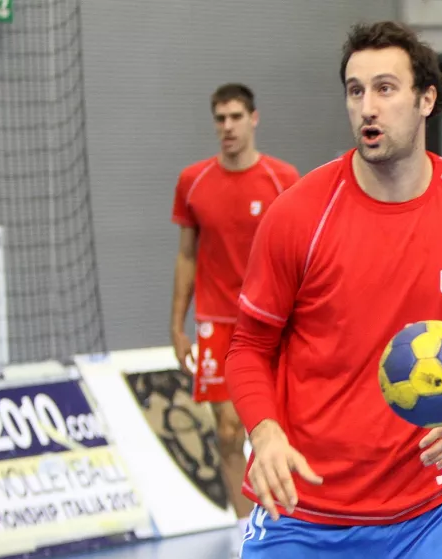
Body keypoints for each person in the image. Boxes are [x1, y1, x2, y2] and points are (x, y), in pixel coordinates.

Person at [225, 21, 442, 559]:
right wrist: (266, 432)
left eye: (385, 88)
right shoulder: (298, 215)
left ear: (426, 99)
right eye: (355, 90)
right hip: (307, 511)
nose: (367, 106)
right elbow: (248, 347)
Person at [170, 83, 300, 557]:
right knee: (228, 431)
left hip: (276, 322)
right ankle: (246, 533)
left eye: (235, 117)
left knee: (279, 426)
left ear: (253, 119)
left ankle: (293, 521)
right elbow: (186, 256)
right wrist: (175, 325)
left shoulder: (282, 178)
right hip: (216, 323)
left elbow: (300, 251)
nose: (227, 127)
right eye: (219, 119)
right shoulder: (193, 181)